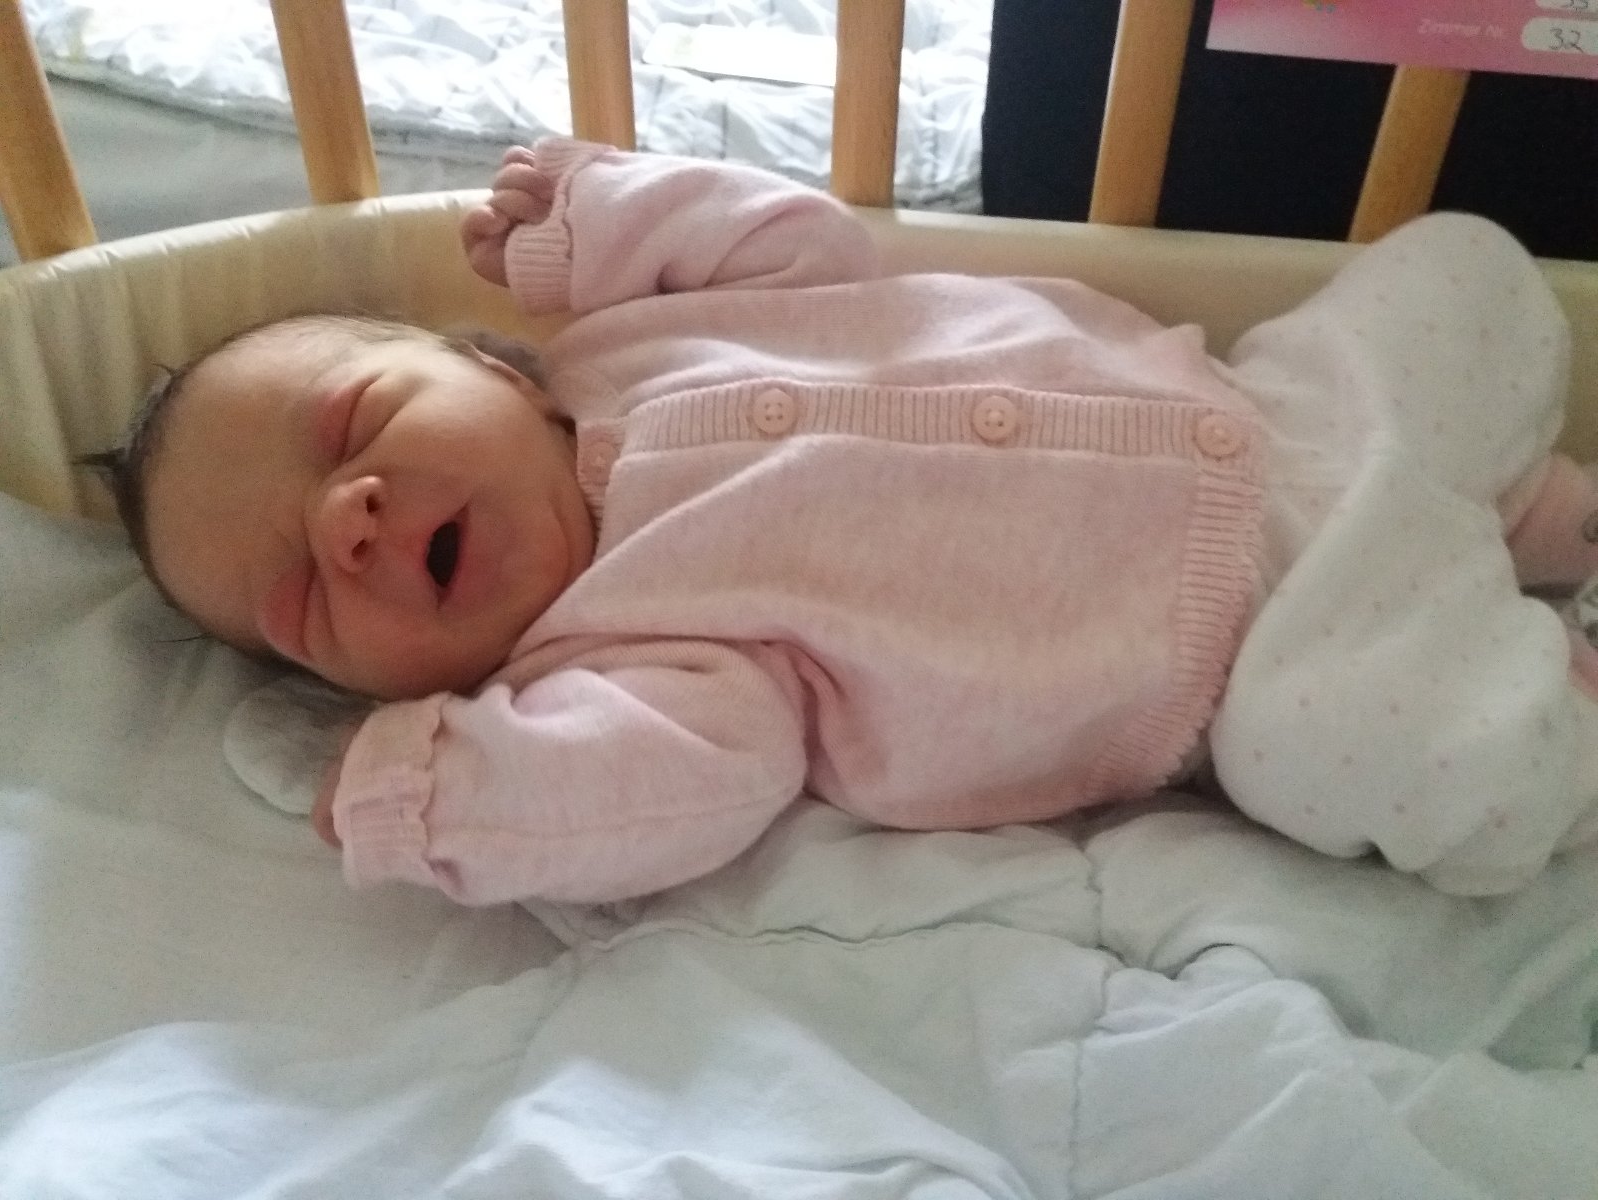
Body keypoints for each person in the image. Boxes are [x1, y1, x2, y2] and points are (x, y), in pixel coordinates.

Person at [88, 139, 1598, 906]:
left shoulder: (631, 338)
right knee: (1351, 747)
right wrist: (444, 799)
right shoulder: (617, 665)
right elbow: (666, 789)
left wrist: (599, 213)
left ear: (486, 363)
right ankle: (1536, 650)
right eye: (302, 601)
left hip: (1277, 399)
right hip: (1249, 648)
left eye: (354, 428)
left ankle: (1518, 516)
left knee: (1460, 264)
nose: (346, 523)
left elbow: (805, 241)